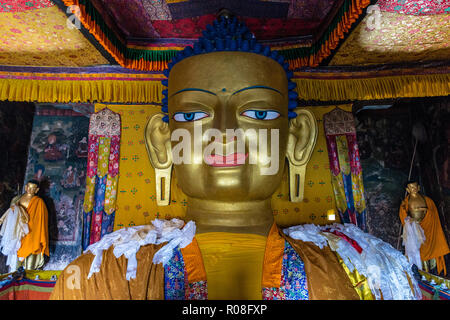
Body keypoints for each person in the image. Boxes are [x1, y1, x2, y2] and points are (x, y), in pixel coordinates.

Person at [50, 16, 420, 300]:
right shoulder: (102, 275)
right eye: (194, 115)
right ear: (163, 145)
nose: (224, 134)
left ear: (296, 140)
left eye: (257, 114)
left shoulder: (366, 269)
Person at [399, 181, 450, 275]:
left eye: (415, 187)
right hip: (415, 233)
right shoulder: (405, 203)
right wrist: (409, 221)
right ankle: (422, 274)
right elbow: (403, 216)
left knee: (433, 257)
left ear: (419, 188)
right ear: (407, 190)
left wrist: (426, 214)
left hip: (429, 232)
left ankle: (435, 275)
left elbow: (434, 215)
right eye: (411, 188)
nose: (413, 189)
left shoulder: (428, 201)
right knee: (419, 255)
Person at [0, 180, 49, 271]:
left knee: (30, 254)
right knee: (16, 258)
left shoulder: (39, 202)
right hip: (18, 231)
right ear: (25, 187)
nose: (30, 190)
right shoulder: (17, 199)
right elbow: (11, 213)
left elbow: (40, 220)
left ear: (37, 190)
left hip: (31, 233)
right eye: (28, 187)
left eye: (33, 188)